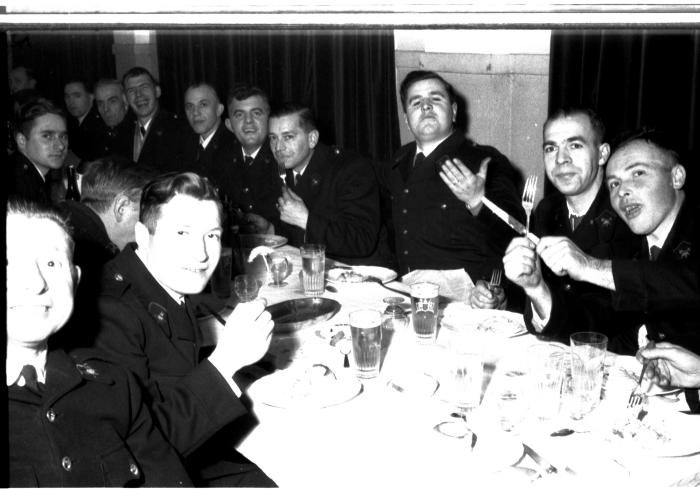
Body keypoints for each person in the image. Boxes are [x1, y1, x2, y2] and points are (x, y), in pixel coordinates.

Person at [91, 172, 276, 486]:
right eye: (182, 233)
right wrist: (227, 361)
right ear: (143, 235)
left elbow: (171, 369)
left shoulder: (162, 283)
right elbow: (140, 449)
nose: (201, 253)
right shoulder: (110, 313)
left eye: (212, 235)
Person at [6, 199, 193, 487]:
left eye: (52, 262)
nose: (34, 281)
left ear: (75, 279)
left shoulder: (114, 385)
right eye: (8, 261)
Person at [503, 129, 700, 358]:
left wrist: (588, 266)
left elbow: (685, 282)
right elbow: (596, 321)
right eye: (614, 184)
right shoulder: (629, 244)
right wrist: (536, 289)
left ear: (676, 177)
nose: (622, 191)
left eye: (638, 173)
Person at [496, 107, 640, 338]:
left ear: (602, 154)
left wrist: (538, 291)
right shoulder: (546, 210)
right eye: (551, 148)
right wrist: (501, 296)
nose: (561, 159)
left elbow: (611, 320)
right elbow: (534, 293)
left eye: (575, 145)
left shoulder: (629, 213)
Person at [380, 70, 523, 301]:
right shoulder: (398, 161)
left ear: (454, 111)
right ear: (406, 119)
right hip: (409, 294)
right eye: (416, 102)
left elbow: (517, 232)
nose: (426, 107)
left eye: (435, 99)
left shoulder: (483, 160)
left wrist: (478, 201)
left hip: (470, 299)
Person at [249, 103, 382, 263]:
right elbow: (293, 234)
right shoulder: (279, 169)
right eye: (273, 138)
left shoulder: (350, 168)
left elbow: (362, 240)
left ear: (312, 139)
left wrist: (305, 219)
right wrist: (270, 228)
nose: (278, 147)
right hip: (307, 270)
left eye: (288, 137)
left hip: (357, 273)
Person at [224, 84, 281, 223]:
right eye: (239, 115)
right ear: (229, 124)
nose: (248, 121)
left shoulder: (283, 159)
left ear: (270, 120)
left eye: (256, 113)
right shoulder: (221, 161)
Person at [123, 66, 188, 171]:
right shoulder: (123, 133)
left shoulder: (178, 129)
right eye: (131, 91)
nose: (138, 95)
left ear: (157, 91)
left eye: (144, 87)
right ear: (125, 99)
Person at [9, 97, 69, 205]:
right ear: (22, 140)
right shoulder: (20, 189)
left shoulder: (32, 177)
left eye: (63, 136)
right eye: (47, 136)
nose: (60, 146)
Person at [92, 78, 135, 160]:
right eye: (100, 103)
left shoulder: (138, 135)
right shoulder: (97, 132)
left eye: (112, 101)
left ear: (125, 100)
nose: (105, 109)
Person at [63, 78, 102, 161]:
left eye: (77, 96)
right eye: (67, 96)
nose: (71, 102)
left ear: (91, 97)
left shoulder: (98, 125)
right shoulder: (70, 123)